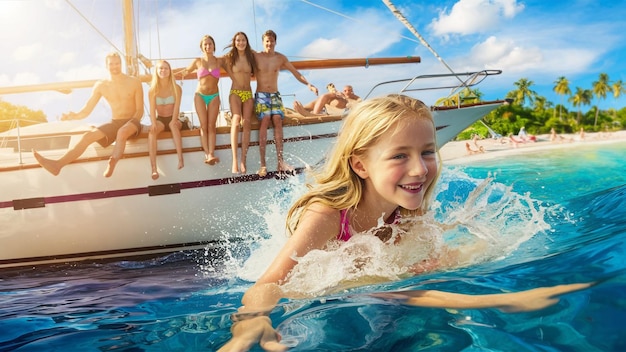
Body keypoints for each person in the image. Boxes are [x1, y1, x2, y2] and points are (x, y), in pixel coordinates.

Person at [217, 95, 592, 352]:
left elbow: (414, 274)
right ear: (360, 165)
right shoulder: (328, 214)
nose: (419, 169)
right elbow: (270, 284)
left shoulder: (409, 210)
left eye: (427, 152)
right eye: (400, 155)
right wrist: (250, 319)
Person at [33, 52, 143, 177]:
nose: (114, 66)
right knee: (87, 136)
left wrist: (132, 123)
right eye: (111, 64)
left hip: (132, 122)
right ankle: (57, 165)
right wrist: (73, 116)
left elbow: (140, 110)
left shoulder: (134, 82)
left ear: (121, 64)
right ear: (106, 66)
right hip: (115, 122)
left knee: (122, 131)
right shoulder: (101, 85)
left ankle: (112, 162)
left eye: (117, 63)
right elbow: (87, 110)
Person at [253, 29, 319, 177]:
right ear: (263, 42)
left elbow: (296, 73)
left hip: (275, 95)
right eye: (267, 41)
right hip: (262, 94)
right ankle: (263, 164)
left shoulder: (280, 58)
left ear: (275, 42)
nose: (269, 43)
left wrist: (309, 84)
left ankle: (280, 161)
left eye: (272, 41)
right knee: (264, 120)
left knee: (277, 119)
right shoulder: (256, 56)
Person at [181, 35, 222, 165]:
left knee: (212, 126)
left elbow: (235, 67)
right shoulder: (197, 61)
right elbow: (185, 71)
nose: (208, 46)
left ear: (214, 46)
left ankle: (211, 153)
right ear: (201, 47)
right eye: (205, 44)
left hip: (214, 96)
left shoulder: (219, 61)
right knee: (204, 125)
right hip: (200, 95)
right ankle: (207, 154)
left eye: (210, 44)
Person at [222, 32, 256, 174]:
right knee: (236, 120)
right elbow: (213, 62)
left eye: (243, 40)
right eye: (238, 40)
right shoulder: (229, 57)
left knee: (246, 122)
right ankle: (235, 160)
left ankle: (243, 159)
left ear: (246, 42)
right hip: (235, 93)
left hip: (247, 93)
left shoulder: (251, 56)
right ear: (234, 42)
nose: (241, 43)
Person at [147, 59, 184, 180]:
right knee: (152, 132)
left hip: (173, 117)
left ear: (170, 71)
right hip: (161, 119)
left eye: (166, 68)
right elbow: (152, 110)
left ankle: (180, 159)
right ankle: (154, 168)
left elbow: (177, 107)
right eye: (160, 68)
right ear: (157, 71)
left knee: (173, 126)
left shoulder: (176, 88)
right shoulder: (152, 90)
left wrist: (174, 120)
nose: (163, 70)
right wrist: (153, 123)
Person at [293, 83, 362, 116]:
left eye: (349, 90)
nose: (347, 92)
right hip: (331, 101)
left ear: (352, 91)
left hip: (338, 104)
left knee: (324, 96)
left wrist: (344, 97)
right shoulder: (341, 94)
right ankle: (303, 109)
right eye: (345, 90)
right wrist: (336, 93)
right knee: (321, 98)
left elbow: (360, 101)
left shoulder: (353, 97)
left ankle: (314, 114)